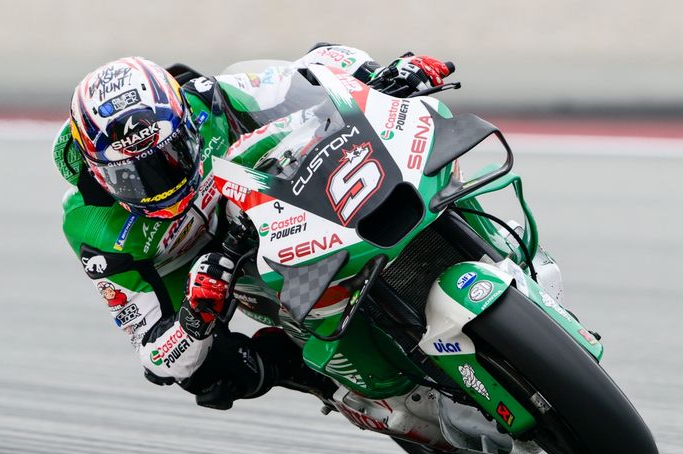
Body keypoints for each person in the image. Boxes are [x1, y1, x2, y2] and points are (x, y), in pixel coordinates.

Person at [53, 44, 453, 410]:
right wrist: (194, 317)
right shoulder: (92, 227)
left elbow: (317, 68)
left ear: (187, 123)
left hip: (282, 201)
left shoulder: (213, 98)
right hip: (215, 269)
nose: (159, 183)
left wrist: (384, 75)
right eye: (132, 176)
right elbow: (154, 355)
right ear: (97, 172)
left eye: (170, 156)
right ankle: (313, 374)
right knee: (203, 374)